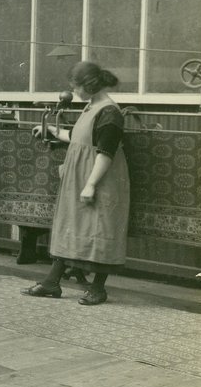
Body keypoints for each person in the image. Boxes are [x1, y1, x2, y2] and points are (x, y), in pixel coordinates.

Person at [22, 61, 130, 306]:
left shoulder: (109, 111)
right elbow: (76, 137)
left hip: (101, 177)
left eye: (76, 87)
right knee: (72, 224)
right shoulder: (91, 106)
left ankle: (98, 289)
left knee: (101, 228)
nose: (74, 92)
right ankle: (52, 282)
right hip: (80, 175)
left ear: (90, 85)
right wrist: (49, 129)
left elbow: (106, 153)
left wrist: (91, 184)